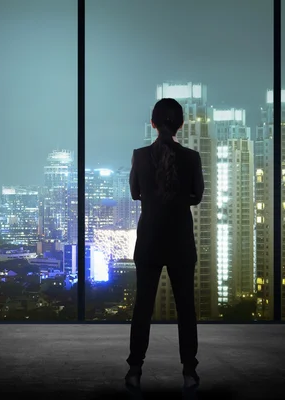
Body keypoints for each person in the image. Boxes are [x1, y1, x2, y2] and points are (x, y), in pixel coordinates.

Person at [125, 98, 204, 398]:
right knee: (186, 308)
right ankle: (189, 371)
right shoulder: (192, 157)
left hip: (149, 241)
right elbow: (196, 196)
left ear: (153, 122)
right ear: (180, 124)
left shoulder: (141, 156)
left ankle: (134, 370)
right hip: (181, 241)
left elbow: (135, 193)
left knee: (142, 306)